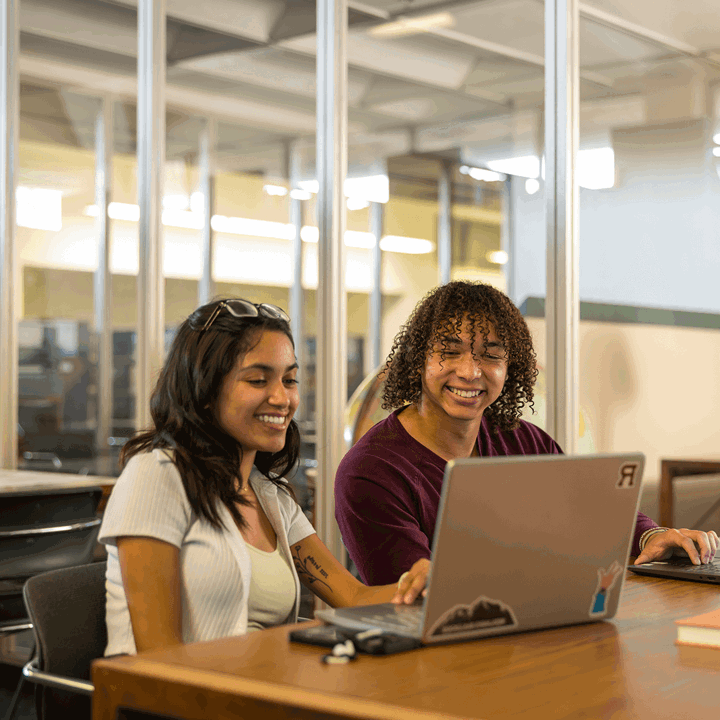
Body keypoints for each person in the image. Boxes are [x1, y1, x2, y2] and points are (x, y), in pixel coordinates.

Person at [99, 298, 428, 656]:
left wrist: (430, 586)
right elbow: (158, 658)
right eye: (258, 380)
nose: (282, 397)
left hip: (260, 688)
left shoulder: (269, 495)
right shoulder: (156, 476)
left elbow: (352, 596)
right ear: (204, 390)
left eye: (290, 379)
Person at [335, 281, 718, 586]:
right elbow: (411, 592)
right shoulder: (371, 471)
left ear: (510, 366)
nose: (470, 372)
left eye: (490, 354)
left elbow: (591, 509)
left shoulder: (526, 442)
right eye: (449, 352)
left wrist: (651, 537)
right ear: (418, 358)